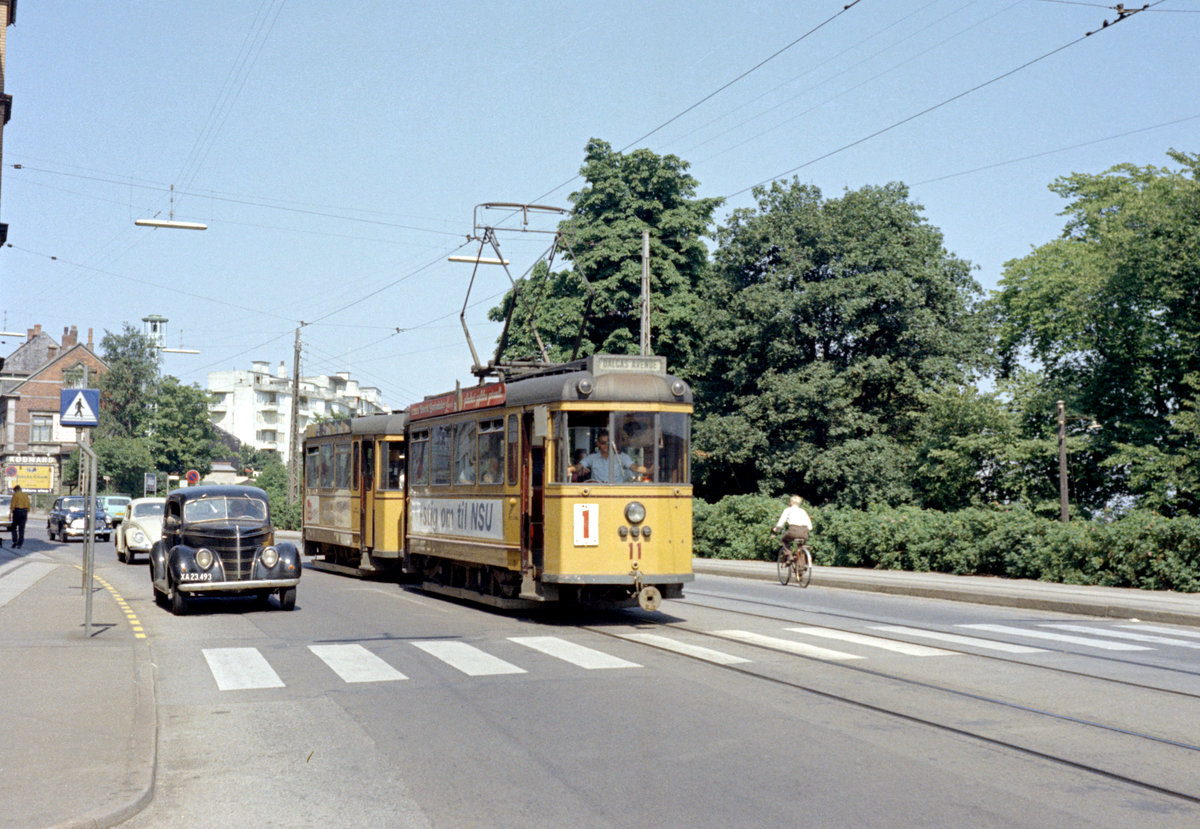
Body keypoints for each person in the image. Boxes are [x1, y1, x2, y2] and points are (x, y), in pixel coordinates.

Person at [569, 432, 648, 483]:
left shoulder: (621, 457)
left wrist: (648, 471)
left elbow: (634, 467)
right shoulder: (592, 458)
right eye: (603, 443)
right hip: (598, 494)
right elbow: (578, 466)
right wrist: (569, 469)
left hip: (616, 494)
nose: (606, 445)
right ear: (598, 443)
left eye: (608, 442)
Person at [771, 495, 812, 560]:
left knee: (784, 540)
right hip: (804, 533)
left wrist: (777, 529)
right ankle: (801, 562)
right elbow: (810, 527)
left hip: (793, 531)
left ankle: (789, 555)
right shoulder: (803, 511)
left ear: (791, 502)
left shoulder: (788, 510)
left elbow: (781, 523)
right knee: (801, 546)